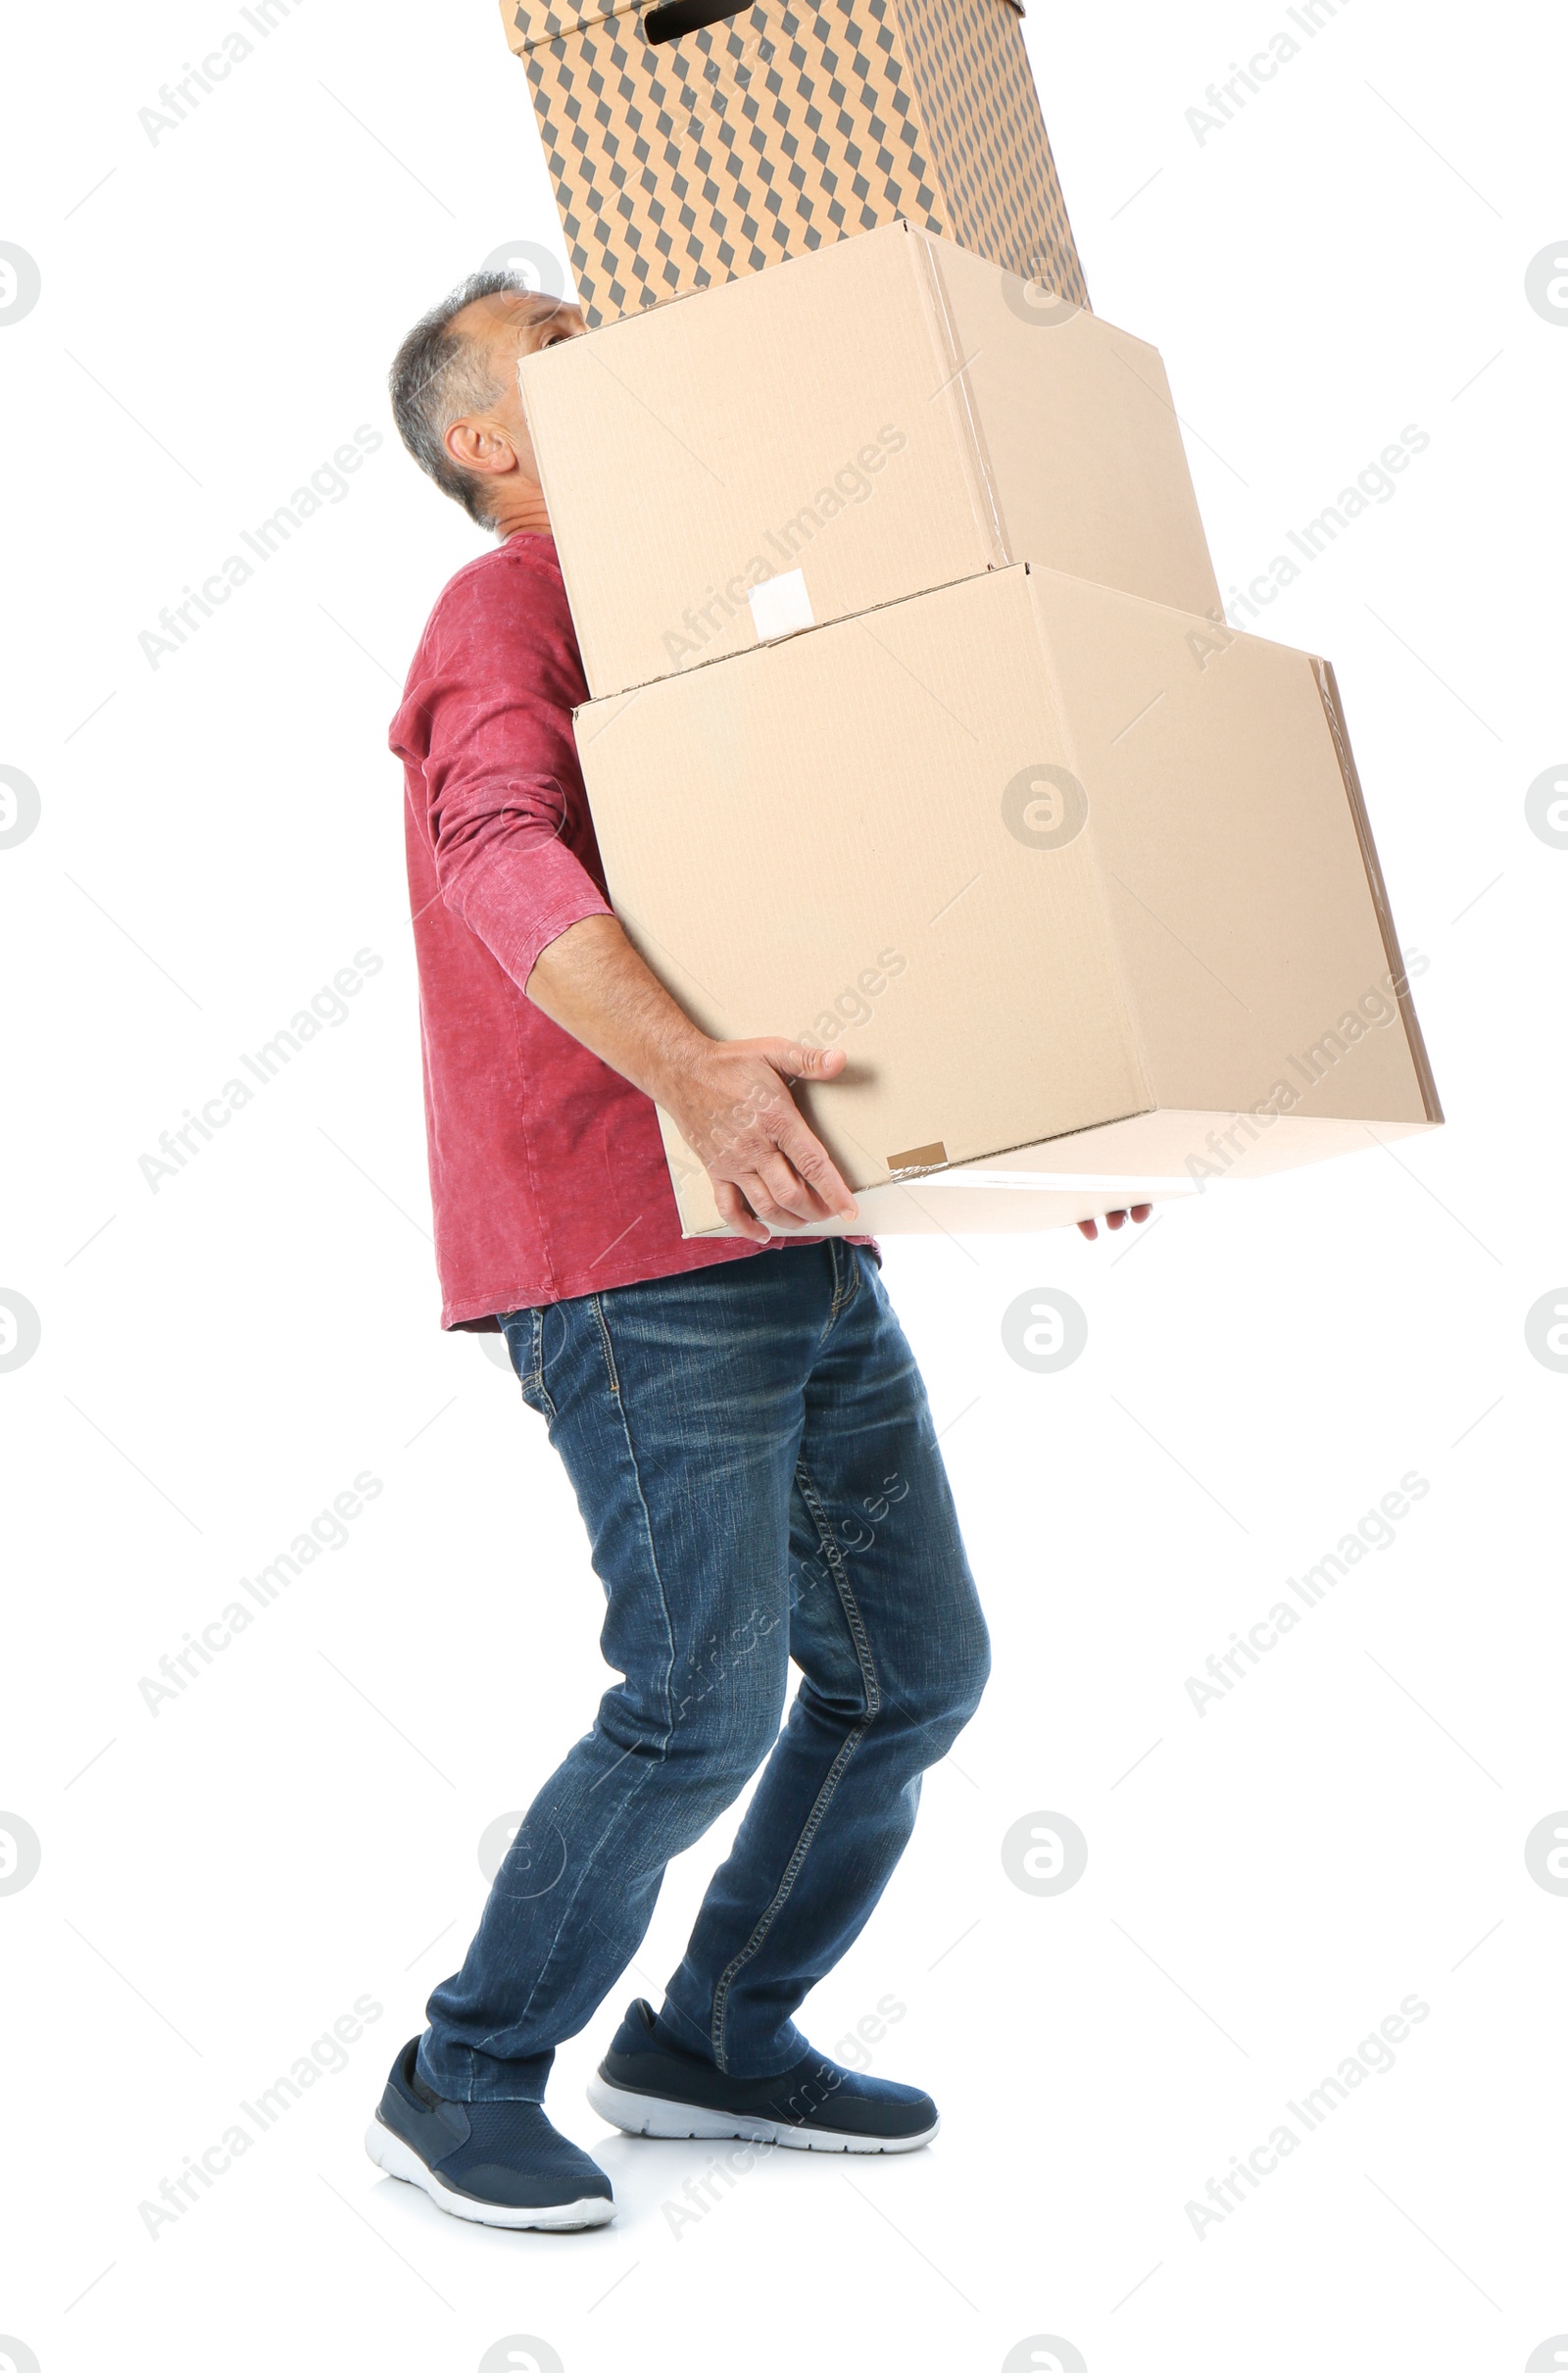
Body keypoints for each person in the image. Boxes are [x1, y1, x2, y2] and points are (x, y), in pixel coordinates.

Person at [365, 271, 1150, 2233]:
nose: (621, 371)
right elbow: (491, 849)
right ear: (485, 442)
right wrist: (690, 1076)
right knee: (699, 1688)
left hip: (783, 1227)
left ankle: (711, 2029)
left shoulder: (693, 645)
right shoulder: (504, 609)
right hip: (623, 1241)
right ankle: (462, 2067)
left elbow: (844, 928)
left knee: (908, 1669)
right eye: (564, 357)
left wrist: (1054, 1123)